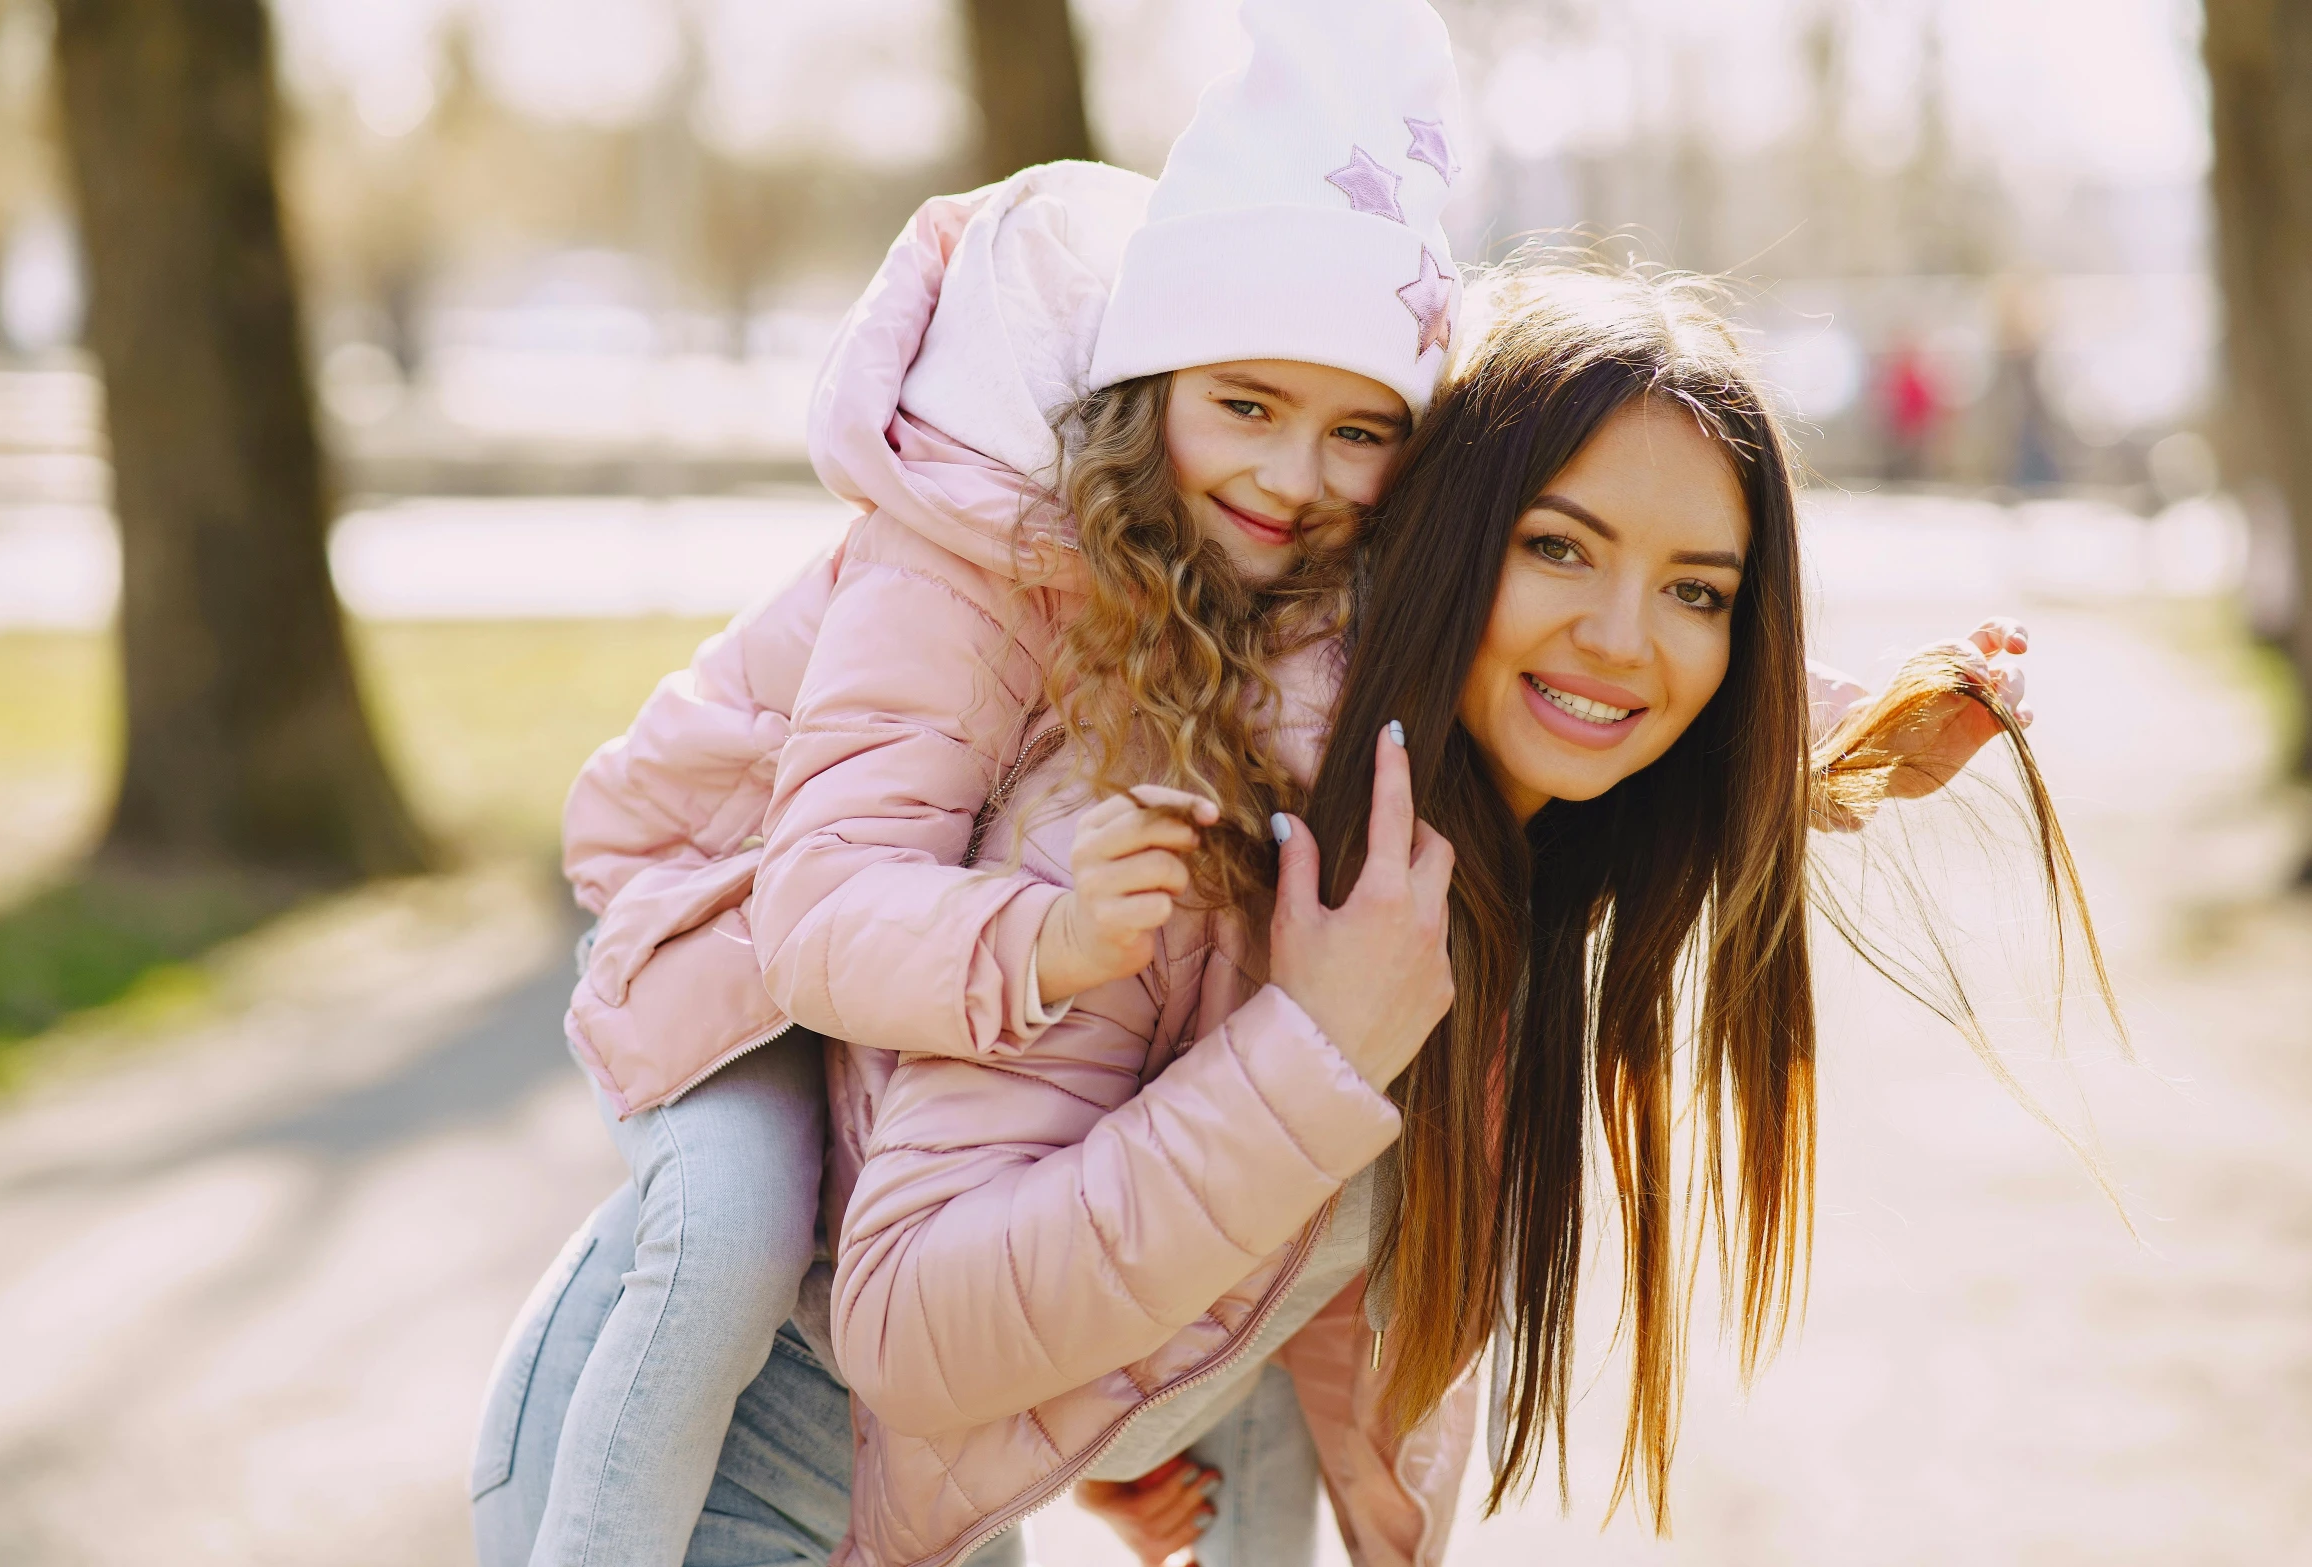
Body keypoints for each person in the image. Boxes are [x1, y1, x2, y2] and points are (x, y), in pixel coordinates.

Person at [472, 3, 2044, 1565]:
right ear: (1154, 382)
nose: (1292, 479)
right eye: (1244, 407)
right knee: (732, 1222)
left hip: (915, 1475)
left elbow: (1572, 645)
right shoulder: (1009, 621)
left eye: (1358, 432)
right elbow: (830, 931)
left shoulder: (1327, 686)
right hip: (734, 920)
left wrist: (1840, 742)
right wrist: (1057, 952)